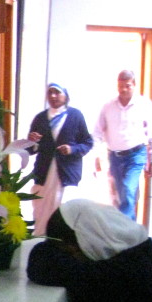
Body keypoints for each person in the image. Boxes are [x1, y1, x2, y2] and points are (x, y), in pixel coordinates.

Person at [26, 83, 93, 235]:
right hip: (44, 173)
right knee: (41, 208)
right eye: (50, 93)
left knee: (64, 210)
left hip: (67, 173)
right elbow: (29, 149)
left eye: (57, 92)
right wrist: (31, 141)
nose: (53, 96)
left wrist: (72, 149)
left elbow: (87, 143)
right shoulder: (40, 118)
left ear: (66, 95)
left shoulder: (76, 116)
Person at [93, 69, 152, 221]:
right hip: (115, 157)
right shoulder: (108, 106)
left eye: (127, 86)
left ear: (134, 85)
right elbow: (97, 133)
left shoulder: (144, 104)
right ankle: (130, 231)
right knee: (119, 196)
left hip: (136, 155)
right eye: (120, 86)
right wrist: (96, 156)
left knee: (128, 191)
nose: (123, 89)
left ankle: (124, 232)